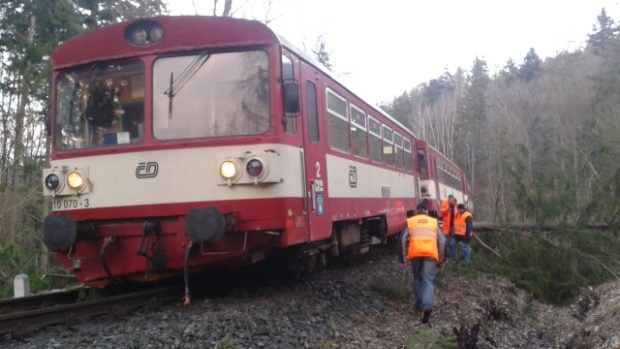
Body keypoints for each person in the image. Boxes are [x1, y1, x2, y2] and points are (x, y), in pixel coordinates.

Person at [399, 208, 446, 324]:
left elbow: (402, 240)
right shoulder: (433, 222)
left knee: (417, 278)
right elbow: (443, 241)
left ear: (416, 212)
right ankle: (428, 306)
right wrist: (441, 260)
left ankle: (420, 306)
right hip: (430, 255)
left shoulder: (410, 221)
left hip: (415, 254)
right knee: (428, 280)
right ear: (426, 212)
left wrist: (403, 258)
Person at [439, 195, 457, 260]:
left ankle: (453, 257)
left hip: (453, 226)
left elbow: (456, 214)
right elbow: (441, 211)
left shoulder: (455, 204)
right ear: (449, 199)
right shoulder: (445, 203)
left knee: (452, 242)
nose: (452, 202)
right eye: (451, 200)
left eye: (453, 200)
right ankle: (444, 257)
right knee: (445, 242)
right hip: (446, 226)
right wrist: (447, 210)